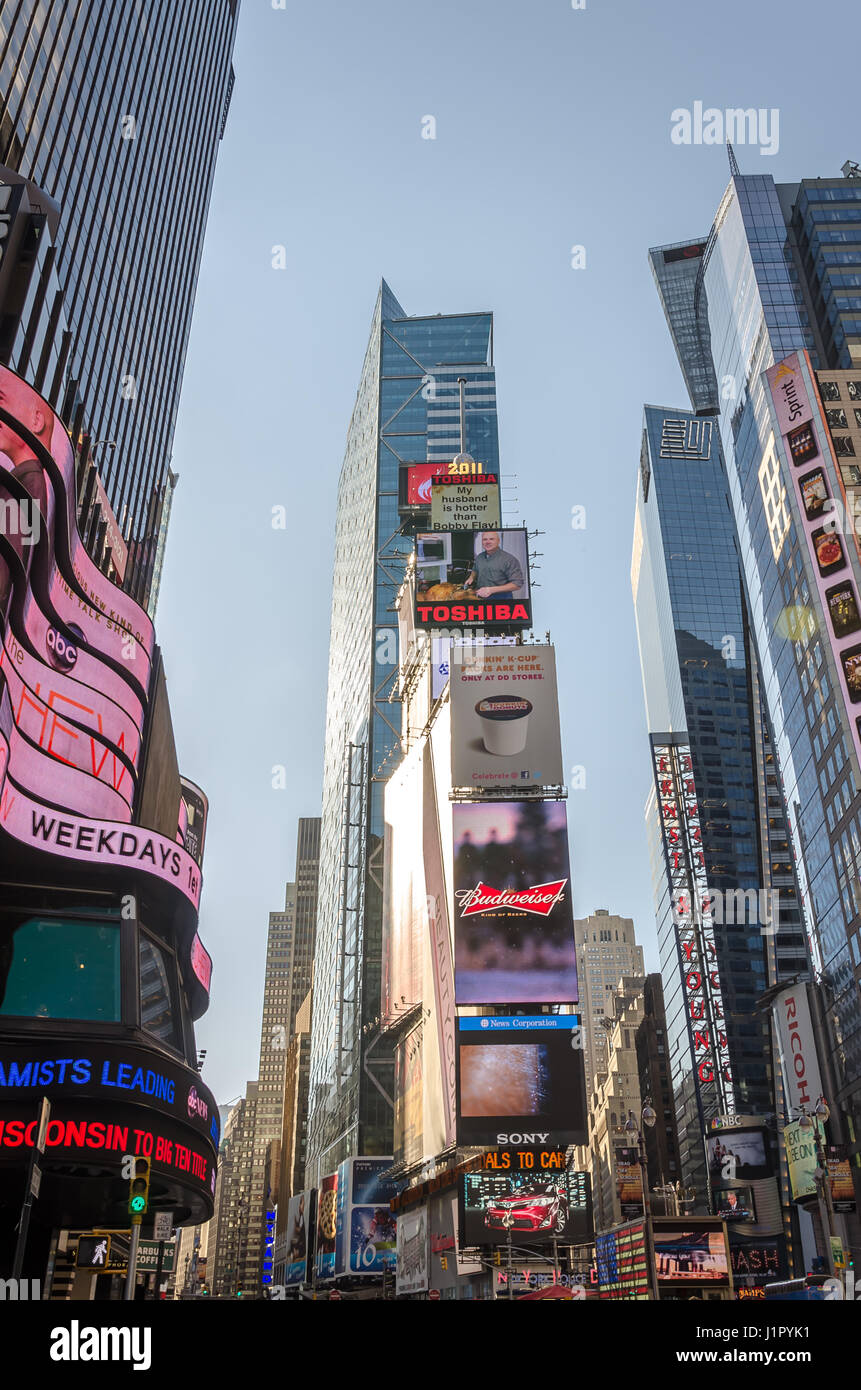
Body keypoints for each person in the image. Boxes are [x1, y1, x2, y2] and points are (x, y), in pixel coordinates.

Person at [466, 531, 524, 600]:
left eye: (491, 539)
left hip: (501, 599)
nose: (488, 542)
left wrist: (491, 590)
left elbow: (517, 584)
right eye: (485, 539)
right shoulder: (479, 557)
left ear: (498, 541)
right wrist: (471, 577)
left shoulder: (509, 559)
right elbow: (475, 569)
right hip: (480, 597)